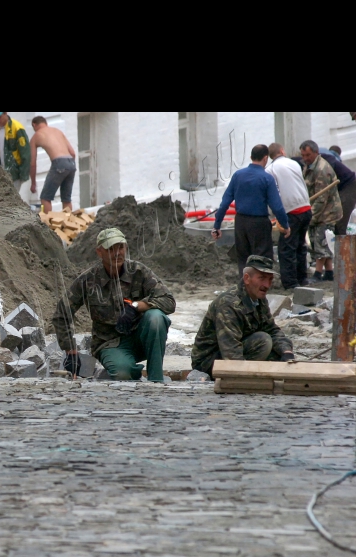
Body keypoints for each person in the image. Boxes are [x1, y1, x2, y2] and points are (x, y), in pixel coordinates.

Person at [52, 229, 176, 383]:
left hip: (141, 338)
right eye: (111, 249)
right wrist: (71, 351)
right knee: (123, 374)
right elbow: (61, 314)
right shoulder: (88, 280)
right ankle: (131, 371)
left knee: (156, 318)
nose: (117, 253)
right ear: (99, 252)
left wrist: (136, 306)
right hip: (110, 343)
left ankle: (156, 380)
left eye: (120, 248)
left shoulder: (139, 272)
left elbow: (169, 301)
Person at [192, 256, 295, 378]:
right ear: (247, 278)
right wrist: (242, 378)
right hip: (209, 361)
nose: (267, 285)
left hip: (239, 350)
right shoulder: (228, 304)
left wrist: (286, 351)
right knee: (263, 341)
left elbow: (272, 329)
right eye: (261, 278)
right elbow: (231, 351)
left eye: (270, 279)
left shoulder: (259, 299)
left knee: (278, 354)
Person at [213, 145, 290, 278]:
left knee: (244, 259)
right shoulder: (267, 178)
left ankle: (245, 287)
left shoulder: (238, 175)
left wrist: (217, 226)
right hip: (259, 223)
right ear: (266, 158)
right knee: (262, 260)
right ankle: (260, 290)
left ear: (251, 157)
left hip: (240, 222)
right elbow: (277, 207)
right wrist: (285, 225)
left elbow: (225, 202)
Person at [266, 143, 313, 290]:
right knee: (300, 245)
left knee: (287, 249)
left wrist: (274, 214)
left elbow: (275, 193)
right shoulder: (294, 163)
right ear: (282, 151)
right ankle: (303, 278)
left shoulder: (270, 170)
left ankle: (291, 283)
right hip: (305, 208)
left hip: (291, 211)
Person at [300, 140, 343, 283]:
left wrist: (309, 217)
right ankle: (329, 272)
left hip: (327, 212)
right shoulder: (309, 165)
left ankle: (318, 273)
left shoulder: (321, 170)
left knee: (321, 242)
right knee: (323, 242)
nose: (305, 158)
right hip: (321, 211)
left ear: (316, 152)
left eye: (308, 155)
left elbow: (321, 199)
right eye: (303, 155)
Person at [29, 116, 77, 214]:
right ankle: (68, 224)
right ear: (45, 123)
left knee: (45, 198)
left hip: (59, 163)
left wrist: (33, 183)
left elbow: (32, 163)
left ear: (34, 125)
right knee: (66, 198)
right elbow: (72, 153)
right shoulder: (58, 131)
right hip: (71, 163)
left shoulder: (36, 136)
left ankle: (48, 225)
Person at [319, 149, 356, 239]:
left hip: (348, 185)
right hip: (338, 188)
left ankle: (343, 250)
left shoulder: (326, 159)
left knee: (340, 220)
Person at [0, 112, 31, 192]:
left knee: (12, 197)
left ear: (5, 113)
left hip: (15, 171)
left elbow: (26, 152)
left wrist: (23, 174)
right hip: (1, 171)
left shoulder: (17, 128)